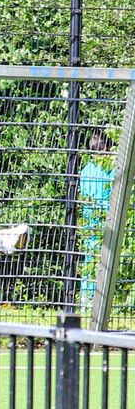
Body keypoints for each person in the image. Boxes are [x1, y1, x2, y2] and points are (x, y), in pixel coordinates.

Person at [79, 130, 114, 309]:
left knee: (90, 261)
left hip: (89, 224)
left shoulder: (85, 171)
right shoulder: (110, 172)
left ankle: (86, 304)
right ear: (106, 150)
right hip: (107, 225)